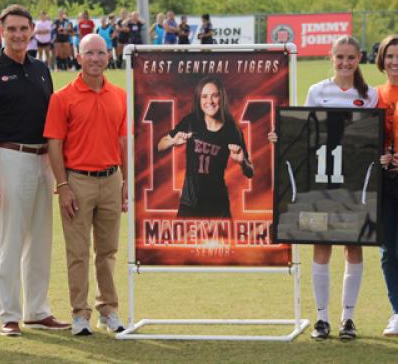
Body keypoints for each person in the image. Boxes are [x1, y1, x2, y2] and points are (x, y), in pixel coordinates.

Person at [269, 35, 377, 340]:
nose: (345, 63)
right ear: (331, 58)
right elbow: (306, 131)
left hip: (354, 180)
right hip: (322, 179)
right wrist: (283, 137)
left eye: (351, 58)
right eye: (340, 57)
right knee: (321, 244)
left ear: (359, 60)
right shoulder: (317, 90)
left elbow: (370, 137)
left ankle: (348, 319)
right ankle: (321, 319)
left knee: (353, 246)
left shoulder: (368, 95)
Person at [0, 4, 68, 337]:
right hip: (10, 158)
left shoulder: (41, 69)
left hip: (44, 160)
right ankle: (9, 314)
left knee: (40, 240)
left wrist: (58, 170)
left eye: (23, 29)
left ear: (32, 31)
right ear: (1, 30)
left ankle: (37, 310)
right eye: (11, 29)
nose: (18, 35)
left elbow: (54, 122)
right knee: (11, 240)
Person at [44, 33, 127, 336]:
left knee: (108, 250)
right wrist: (63, 185)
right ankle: (80, 314)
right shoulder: (62, 97)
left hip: (111, 178)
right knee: (77, 251)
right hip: (77, 181)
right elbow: (55, 144)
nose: (95, 59)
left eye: (101, 53)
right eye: (89, 53)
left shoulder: (119, 95)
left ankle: (109, 310)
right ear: (78, 57)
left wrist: (126, 181)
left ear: (108, 57)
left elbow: (122, 141)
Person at [158, 76, 253, 217]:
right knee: (181, 240)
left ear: (222, 98)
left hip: (217, 205)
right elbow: (160, 145)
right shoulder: (191, 121)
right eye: (204, 97)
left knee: (224, 240)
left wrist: (242, 161)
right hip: (190, 204)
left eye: (214, 96)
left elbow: (250, 172)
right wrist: (173, 141)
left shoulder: (232, 130)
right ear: (199, 100)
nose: (210, 101)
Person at [376, 35, 398, 336]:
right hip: (386, 182)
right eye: (390, 56)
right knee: (389, 250)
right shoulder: (374, 95)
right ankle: (397, 311)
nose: (395, 62)